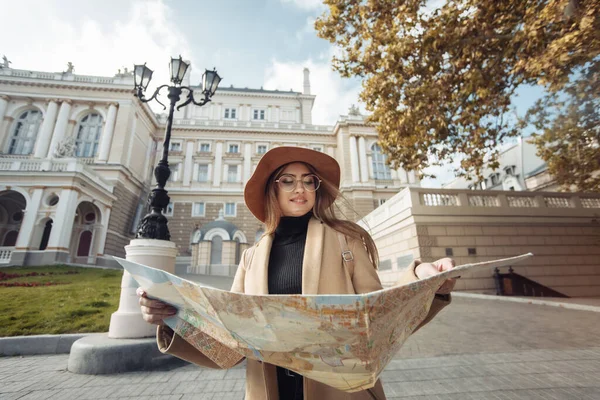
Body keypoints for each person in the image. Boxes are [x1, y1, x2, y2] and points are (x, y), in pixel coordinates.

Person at [138, 146, 456, 400]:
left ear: (318, 188)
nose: (299, 188)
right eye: (288, 180)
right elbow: (230, 342)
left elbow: (381, 315)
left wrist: (425, 280)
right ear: (272, 191)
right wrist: (171, 318)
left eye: (308, 180)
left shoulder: (347, 240)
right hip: (269, 389)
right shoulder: (250, 258)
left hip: (339, 392)